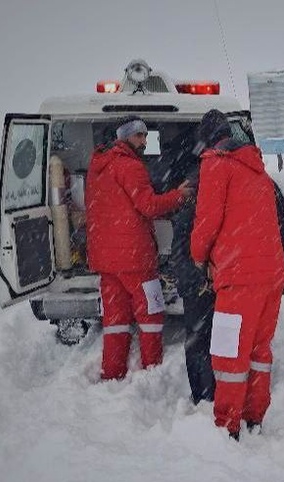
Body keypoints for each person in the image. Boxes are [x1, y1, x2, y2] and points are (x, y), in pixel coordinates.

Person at [191, 109, 284, 440]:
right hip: (271, 276)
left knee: (229, 353)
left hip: (239, 277)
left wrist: (198, 259)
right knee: (259, 350)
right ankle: (254, 419)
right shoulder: (257, 170)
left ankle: (226, 427)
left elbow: (206, 222)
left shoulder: (215, 164)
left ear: (208, 139)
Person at [86, 115, 193, 380]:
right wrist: (180, 195)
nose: (144, 141)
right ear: (124, 137)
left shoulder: (98, 166)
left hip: (106, 260)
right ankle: (152, 373)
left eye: (146, 135)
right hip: (135, 258)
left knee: (115, 322)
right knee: (151, 315)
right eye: (139, 136)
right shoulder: (131, 167)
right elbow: (149, 206)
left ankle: (112, 373)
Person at [157, 128, 216, 404]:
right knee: (207, 338)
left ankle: (202, 394)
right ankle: (207, 394)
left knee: (197, 338)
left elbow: (184, 241)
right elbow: (195, 242)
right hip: (201, 278)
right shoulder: (205, 187)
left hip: (193, 277)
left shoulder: (191, 189)